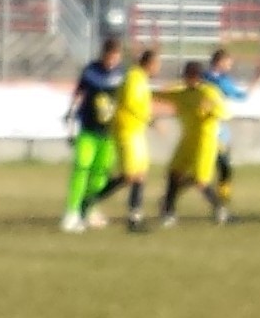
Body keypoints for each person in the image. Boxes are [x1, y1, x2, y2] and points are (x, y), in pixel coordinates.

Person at [154, 60, 232, 227]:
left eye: (191, 76)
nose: (188, 79)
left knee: (200, 181)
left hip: (206, 141)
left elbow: (225, 113)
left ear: (198, 77)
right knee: (174, 172)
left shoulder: (209, 92)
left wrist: (211, 109)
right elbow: (159, 95)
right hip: (188, 139)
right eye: (186, 76)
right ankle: (168, 210)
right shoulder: (182, 93)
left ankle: (220, 208)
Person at [62, 37, 124, 233]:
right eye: (109, 56)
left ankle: (90, 209)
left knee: (101, 174)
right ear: (103, 54)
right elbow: (79, 93)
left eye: (116, 57)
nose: (112, 61)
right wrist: (70, 114)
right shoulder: (90, 71)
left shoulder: (122, 74)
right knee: (82, 168)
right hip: (89, 129)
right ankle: (71, 212)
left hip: (109, 133)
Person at [105, 48, 163, 231]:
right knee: (130, 176)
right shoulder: (134, 78)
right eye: (157, 64)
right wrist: (151, 120)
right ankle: (90, 201)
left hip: (136, 131)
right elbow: (131, 104)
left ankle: (134, 218)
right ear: (150, 64)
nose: (158, 68)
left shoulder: (140, 78)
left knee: (140, 174)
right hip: (127, 130)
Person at [202, 48, 260, 211]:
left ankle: (222, 203)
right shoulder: (220, 82)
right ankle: (222, 204)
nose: (230, 66)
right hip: (215, 130)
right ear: (220, 62)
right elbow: (242, 96)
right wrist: (257, 78)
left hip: (215, 130)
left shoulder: (204, 78)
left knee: (214, 169)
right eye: (228, 63)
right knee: (220, 168)